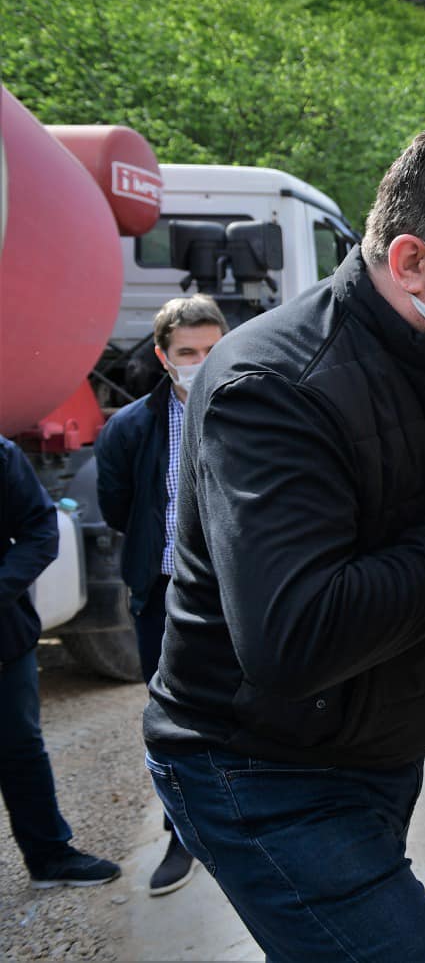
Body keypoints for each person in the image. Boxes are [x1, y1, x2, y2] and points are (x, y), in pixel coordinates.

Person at [142, 127, 425, 961]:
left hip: (379, 746)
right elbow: (293, 639)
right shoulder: (273, 386)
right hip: (264, 770)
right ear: (412, 262)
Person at [96, 293, 227, 896]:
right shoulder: (129, 429)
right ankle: (183, 834)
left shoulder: (253, 407)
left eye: (212, 349)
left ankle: (256, 819)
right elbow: (120, 510)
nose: (201, 362)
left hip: (241, 589)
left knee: (257, 703)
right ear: (163, 356)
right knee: (173, 722)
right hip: (167, 596)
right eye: (187, 352)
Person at [1, 434, 123, 890]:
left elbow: (40, 531)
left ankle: (50, 856)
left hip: (3, 635)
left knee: (19, 748)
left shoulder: (2, 456)